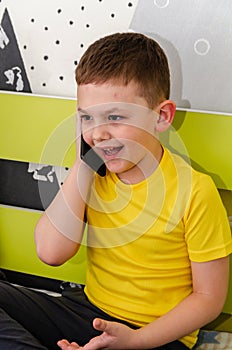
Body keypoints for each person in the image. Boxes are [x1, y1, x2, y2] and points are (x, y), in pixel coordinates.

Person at [0, 32, 231, 350]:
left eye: (114, 117)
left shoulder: (194, 191)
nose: (98, 133)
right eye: (87, 118)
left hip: (156, 336)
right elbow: (51, 253)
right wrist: (84, 164)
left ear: (161, 116)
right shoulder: (92, 175)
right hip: (86, 313)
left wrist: (135, 340)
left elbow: (209, 299)